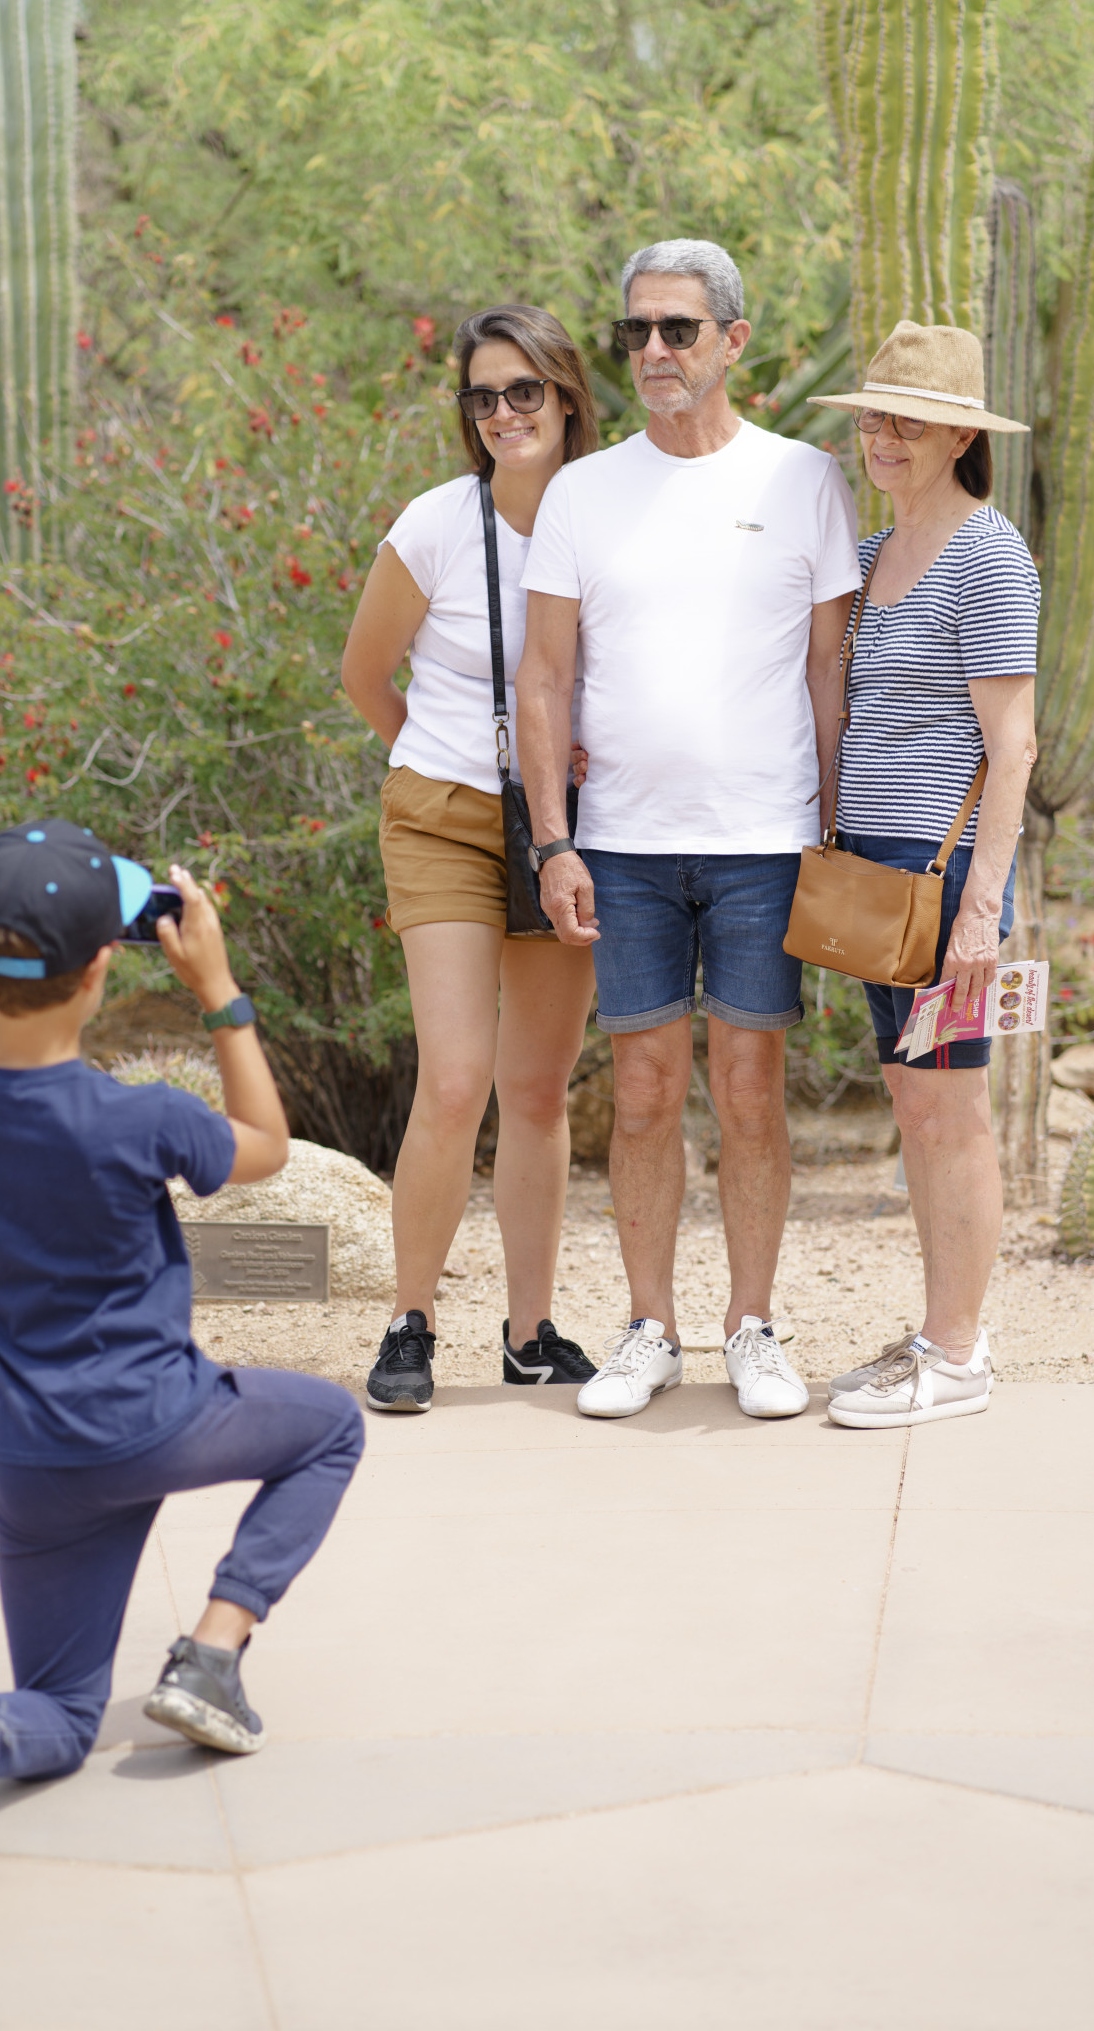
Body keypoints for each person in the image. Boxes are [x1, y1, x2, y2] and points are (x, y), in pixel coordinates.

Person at [0, 820, 363, 1883]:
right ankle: (212, 1651)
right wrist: (221, 990)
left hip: (28, 1462)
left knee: (60, 1707)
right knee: (328, 1425)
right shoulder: (140, 1120)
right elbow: (270, 1148)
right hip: (157, 1423)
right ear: (106, 964)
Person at [516, 237, 861, 1422]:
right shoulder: (581, 490)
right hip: (622, 844)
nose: (653, 351)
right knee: (649, 1090)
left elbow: (830, 672)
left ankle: (751, 1325)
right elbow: (545, 680)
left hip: (768, 842)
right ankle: (650, 1326)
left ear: (732, 342)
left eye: (676, 328)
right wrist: (552, 842)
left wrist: (836, 835)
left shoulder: (804, 481)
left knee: (751, 1087)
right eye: (635, 331)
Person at [341, 305, 602, 1412]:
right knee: (454, 1080)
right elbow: (363, 674)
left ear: (568, 398)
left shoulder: (614, 515)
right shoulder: (438, 524)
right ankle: (412, 1318)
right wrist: (449, 766)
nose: (503, 414)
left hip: (570, 825)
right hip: (446, 813)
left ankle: (531, 1332)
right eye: (482, 397)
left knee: (536, 1089)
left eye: (523, 393)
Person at [806, 321, 1039, 1428]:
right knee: (914, 1099)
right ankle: (943, 1334)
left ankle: (956, 1356)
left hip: (946, 884)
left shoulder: (989, 556)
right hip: (878, 880)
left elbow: (1015, 746)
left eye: (906, 419)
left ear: (957, 435)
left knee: (951, 1113)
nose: (882, 435)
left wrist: (981, 910)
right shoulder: (868, 558)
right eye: (872, 417)